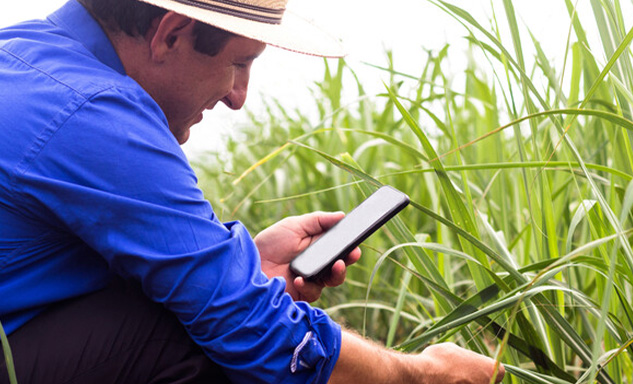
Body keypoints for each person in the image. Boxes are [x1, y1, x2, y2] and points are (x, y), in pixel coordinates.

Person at [0, 0, 506, 383]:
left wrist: (247, 261)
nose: (239, 97)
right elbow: (251, 327)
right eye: (241, 62)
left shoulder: (24, 53)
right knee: (199, 343)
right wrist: (417, 375)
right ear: (172, 34)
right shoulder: (95, 112)